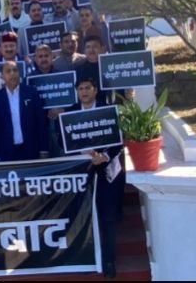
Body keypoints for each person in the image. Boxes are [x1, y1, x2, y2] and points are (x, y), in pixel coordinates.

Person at [65, 78, 122, 278]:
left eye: (88, 88)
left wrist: (103, 156)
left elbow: (118, 140)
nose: (84, 92)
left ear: (95, 90)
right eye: (80, 89)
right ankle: (88, 258)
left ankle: (109, 260)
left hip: (107, 171)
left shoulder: (109, 110)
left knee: (108, 218)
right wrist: (83, 154)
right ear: (77, 92)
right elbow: (64, 141)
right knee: (85, 217)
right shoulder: (70, 113)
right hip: (82, 172)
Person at [0, 61, 48, 162]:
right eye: (8, 71)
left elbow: (41, 122)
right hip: (6, 153)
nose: (12, 73)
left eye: (15, 70)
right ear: (2, 76)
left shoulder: (31, 93)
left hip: (30, 150)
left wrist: (44, 149)